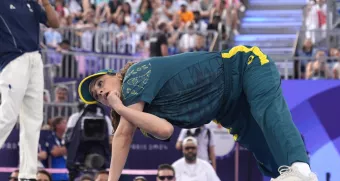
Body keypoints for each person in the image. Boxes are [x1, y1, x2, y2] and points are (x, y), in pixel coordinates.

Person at [78, 45, 318, 180]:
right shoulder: (139, 115)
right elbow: (164, 130)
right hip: (227, 107)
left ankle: (302, 169)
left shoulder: (133, 75)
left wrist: (119, 108)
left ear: (114, 74)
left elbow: (123, 136)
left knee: (269, 115)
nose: (100, 93)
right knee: (263, 150)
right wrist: (122, 111)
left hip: (243, 67)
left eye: (99, 84)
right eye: (96, 95)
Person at [0, 0, 59, 180]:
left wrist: (47, 4)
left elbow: (55, 23)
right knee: (7, 115)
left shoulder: (31, 3)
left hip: (35, 58)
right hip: (13, 60)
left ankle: (28, 174)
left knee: (33, 120)